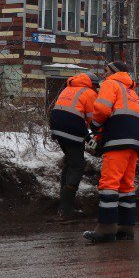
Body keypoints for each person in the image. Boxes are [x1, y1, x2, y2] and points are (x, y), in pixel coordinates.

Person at [84, 61, 139, 244]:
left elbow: (102, 109)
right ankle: (125, 229)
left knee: (109, 183)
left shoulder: (111, 84)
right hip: (134, 142)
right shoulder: (132, 93)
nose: (103, 75)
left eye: (105, 71)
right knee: (126, 186)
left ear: (115, 72)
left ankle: (105, 230)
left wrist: (94, 127)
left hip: (118, 139)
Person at [49, 72, 98, 219]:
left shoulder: (68, 88)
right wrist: (95, 138)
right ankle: (66, 209)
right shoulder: (89, 93)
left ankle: (63, 206)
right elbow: (93, 120)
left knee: (69, 164)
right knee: (77, 166)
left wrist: (88, 137)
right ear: (93, 84)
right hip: (72, 128)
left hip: (57, 126)